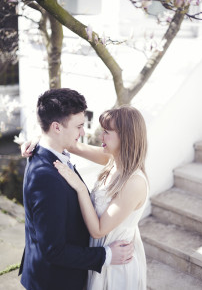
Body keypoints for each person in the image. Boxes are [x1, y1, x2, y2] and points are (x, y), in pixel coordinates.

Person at [19, 88, 134, 290]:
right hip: (55, 281)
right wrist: (106, 255)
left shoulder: (48, 152)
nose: (83, 132)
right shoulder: (47, 177)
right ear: (56, 127)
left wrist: (39, 137)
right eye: (79, 126)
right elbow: (53, 250)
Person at [53, 105, 149, 290]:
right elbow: (72, 145)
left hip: (116, 264)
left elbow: (98, 230)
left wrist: (80, 187)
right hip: (99, 255)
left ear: (125, 136)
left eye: (106, 132)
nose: (100, 136)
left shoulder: (134, 182)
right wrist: (38, 141)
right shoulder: (112, 159)